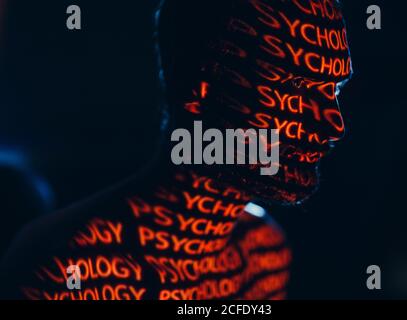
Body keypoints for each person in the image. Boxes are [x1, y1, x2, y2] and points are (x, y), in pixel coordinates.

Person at [0, 0, 352, 300]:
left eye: (333, 90)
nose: (334, 123)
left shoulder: (264, 253)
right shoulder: (71, 271)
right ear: (203, 87)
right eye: (297, 88)